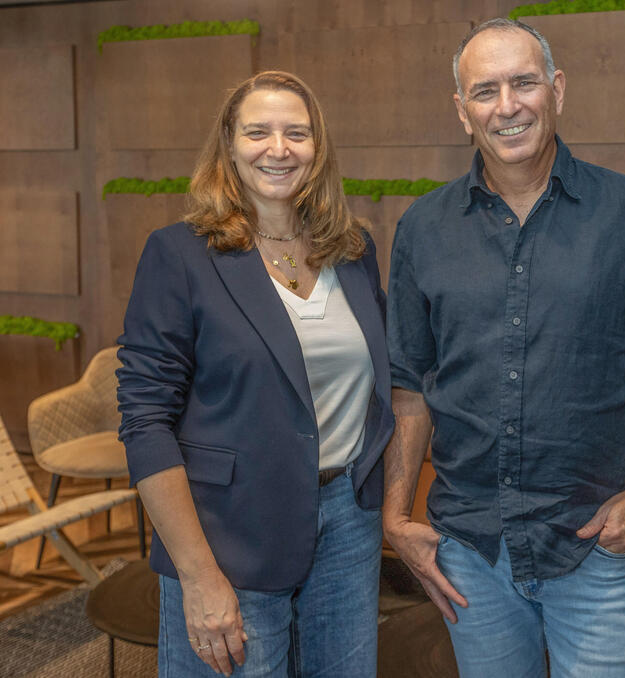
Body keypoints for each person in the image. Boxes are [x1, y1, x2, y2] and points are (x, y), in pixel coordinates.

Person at [383, 18, 625, 678]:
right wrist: (395, 516)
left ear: (557, 90)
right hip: (470, 550)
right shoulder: (422, 227)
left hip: (596, 546)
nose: (507, 106)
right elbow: (409, 382)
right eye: (485, 91)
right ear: (462, 111)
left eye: (524, 83)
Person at [116, 71, 393, 677]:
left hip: (347, 524)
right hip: (228, 534)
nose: (279, 148)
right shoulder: (180, 254)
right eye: (258, 131)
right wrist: (197, 574)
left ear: (318, 147)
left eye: (297, 132)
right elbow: (145, 422)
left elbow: (385, 382)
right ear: (229, 143)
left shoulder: (353, 250)